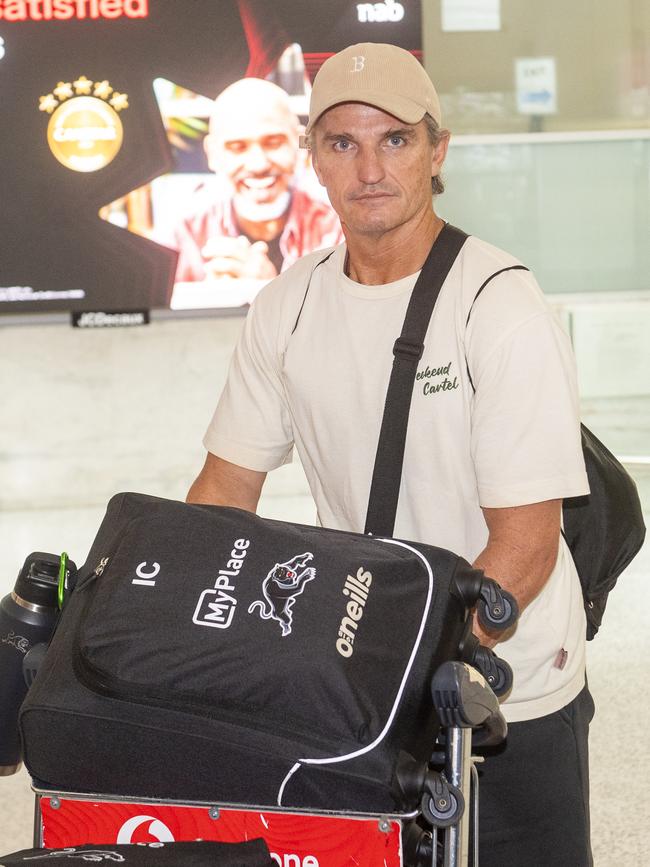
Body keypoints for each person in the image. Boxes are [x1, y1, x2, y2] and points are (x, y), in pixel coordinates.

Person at [187, 43, 593, 866]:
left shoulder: (499, 305)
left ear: (437, 150)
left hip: (509, 678)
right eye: (342, 142)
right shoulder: (287, 305)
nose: (369, 166)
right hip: (368, 669)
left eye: (396, 140)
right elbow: (226, 487)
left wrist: (422, 670)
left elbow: (526, 542)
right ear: (315, 160)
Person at [170, 77, 343, 283]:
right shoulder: (187, 229)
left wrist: (269, 289)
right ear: (212, 154)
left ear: (300, 146)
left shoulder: (336, 226)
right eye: (237, 147)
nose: (258, 164)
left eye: (273, 143)